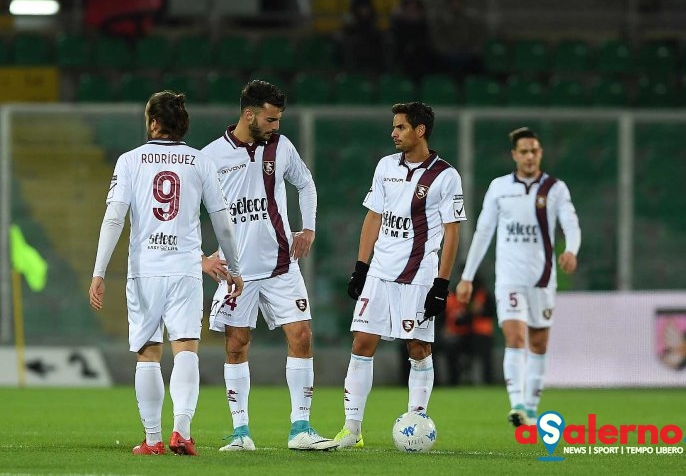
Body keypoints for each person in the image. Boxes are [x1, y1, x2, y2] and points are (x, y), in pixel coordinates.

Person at [89, 91, 244, 456]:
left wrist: (99, 271)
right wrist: (234, 268)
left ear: (154, 123)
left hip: (144, 270)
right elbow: (222, 221)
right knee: (187, 347)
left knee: (148, 353)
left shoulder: (130, 161)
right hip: (186, 268)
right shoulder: (200, 162)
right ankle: (183, 433)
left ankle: (154, 440)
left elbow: (114, 218)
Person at [202, 80, 337, 451]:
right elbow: (182, 211)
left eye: (278, 119)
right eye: (271, 118)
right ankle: (241, 432)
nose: (276, 126)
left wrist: (308, 227)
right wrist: (199, 257)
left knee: (302, 336)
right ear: (250, 114)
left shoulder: (282, 147)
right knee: (236, 345)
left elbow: (306, 184)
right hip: (237, 273)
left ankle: (301, 428)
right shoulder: (210, 156)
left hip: (281, 265)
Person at [334, 102, 466, 448]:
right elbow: (374, 216)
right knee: (362, 343)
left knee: (419, 347)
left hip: (419, 275)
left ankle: (416, 421)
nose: (393, 133)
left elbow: (452, 232)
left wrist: (442, 283)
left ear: (420, 130)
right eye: (394, 127)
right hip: (379, 273)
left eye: (400, 127)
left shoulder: (446, 176)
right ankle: (352, 429)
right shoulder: (385, 166)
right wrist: (361, 267)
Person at [456, 127, 581, 428]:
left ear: (540, 153)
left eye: (534, 150)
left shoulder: (555, 188)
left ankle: (532, 409)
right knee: (514, 336)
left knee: (538, 343)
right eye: (523, 151)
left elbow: (571, 224)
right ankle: (517, 406)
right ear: (514, 155)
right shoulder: (499, 187)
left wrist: (572, 250)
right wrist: (467, 277)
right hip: (509, 277)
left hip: (542, 278)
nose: (529, 156)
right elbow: (483, 232)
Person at [442, 276, 494, 385]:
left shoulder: (481, 294)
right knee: (450, 346)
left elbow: (486, 311)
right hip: (461, 334)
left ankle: (487, 381)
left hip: (480, 334)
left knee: (483, 352)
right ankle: (453, 381)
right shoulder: (453, 296)